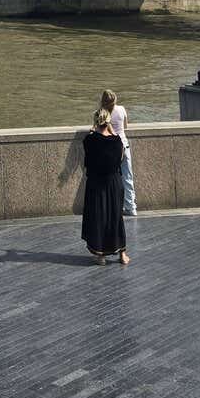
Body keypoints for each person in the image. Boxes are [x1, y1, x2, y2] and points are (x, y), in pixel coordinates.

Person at [81, 108, 129, 266]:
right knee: (116, 217)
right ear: (109, 122)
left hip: (96, 183)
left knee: (98, 217)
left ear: (96, 122)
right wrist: (112, 131)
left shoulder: (90, 140)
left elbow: (87, 160)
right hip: (114, 183)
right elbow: (120, 159)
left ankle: (100, 255)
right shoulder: (117, 141)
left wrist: (93, 130)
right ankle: (122, 254)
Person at [99, 89, 136, 217]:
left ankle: (111, 207)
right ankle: (131, 207)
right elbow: (125, 127)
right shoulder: (121, 109)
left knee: (109, 178)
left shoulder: (102, 113)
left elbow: (99, 130)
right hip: (124, 145)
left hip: (110, 148)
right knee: (127, 177)